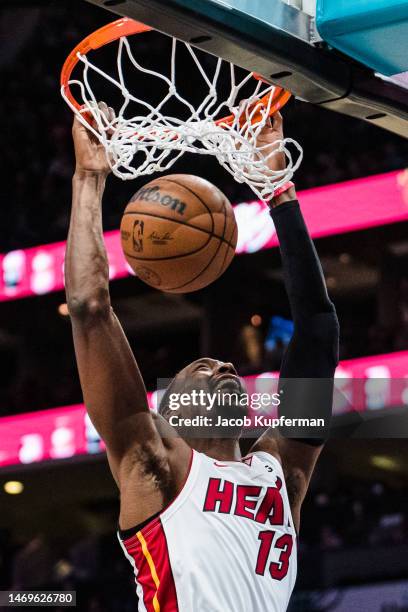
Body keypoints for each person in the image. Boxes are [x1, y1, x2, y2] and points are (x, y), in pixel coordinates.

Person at [66, 105, 339, 612]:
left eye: (219, 365)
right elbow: (89, 308)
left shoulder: (281, 475)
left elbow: (318, 330)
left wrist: (279, 190)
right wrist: (88, 179)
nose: (227, 367)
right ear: (167, 416)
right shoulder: (154, 464)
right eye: (203, 369)